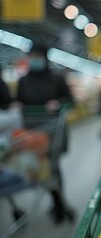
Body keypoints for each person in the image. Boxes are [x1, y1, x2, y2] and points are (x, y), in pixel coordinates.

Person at [16, 44, 74, 224]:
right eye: (32, 55)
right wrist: (15, 105)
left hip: (52, 132)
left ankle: (59, 204)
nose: (35, 59)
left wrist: (58, 103)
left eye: (38, 55)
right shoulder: (23, 81)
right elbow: (18, 100)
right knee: (41, 168)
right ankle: (59, 203)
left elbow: (71, 101)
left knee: (53, 167)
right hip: (32, 134)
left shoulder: (56, 79)